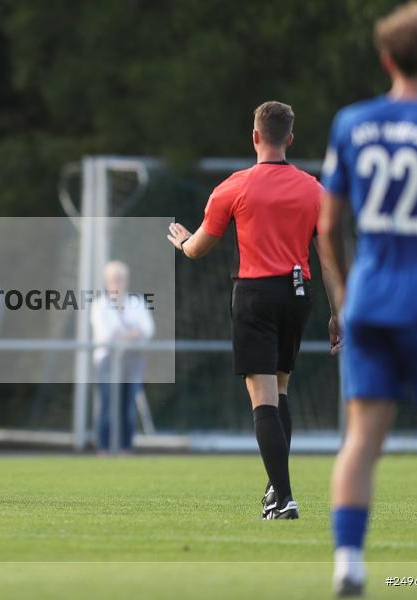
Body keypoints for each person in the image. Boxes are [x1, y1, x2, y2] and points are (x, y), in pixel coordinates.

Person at [317, 3, 417, 596]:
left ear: (386, 58)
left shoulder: (351, 121)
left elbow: (327, 225)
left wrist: (346, 292)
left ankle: (349, 563)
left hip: (368, 302)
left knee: (361, 438)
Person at [167, 101, 339, 520]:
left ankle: (283, 498)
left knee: (261, 397)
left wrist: (183, 241)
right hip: (299, 295)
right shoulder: (314, 189)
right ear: (290, 140)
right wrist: (339, 312)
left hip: (255, 294)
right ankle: (274, 489)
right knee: (280, 391)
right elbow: (330, 257)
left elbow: (199, 249)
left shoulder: (234, 187)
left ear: (255, 137)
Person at [91, 261, 154, 453]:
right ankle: (104, 449)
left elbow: (148, 329)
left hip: (132, 360)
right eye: (114, 279)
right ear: (107, 281)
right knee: (107, 406)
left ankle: (126, 449)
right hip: (107, 361)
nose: (117, 283)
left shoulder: (137, 303)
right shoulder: (99, 305)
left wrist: (124, 334)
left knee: (128, 408)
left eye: (121, 279)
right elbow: (107, 335)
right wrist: (133, 333)